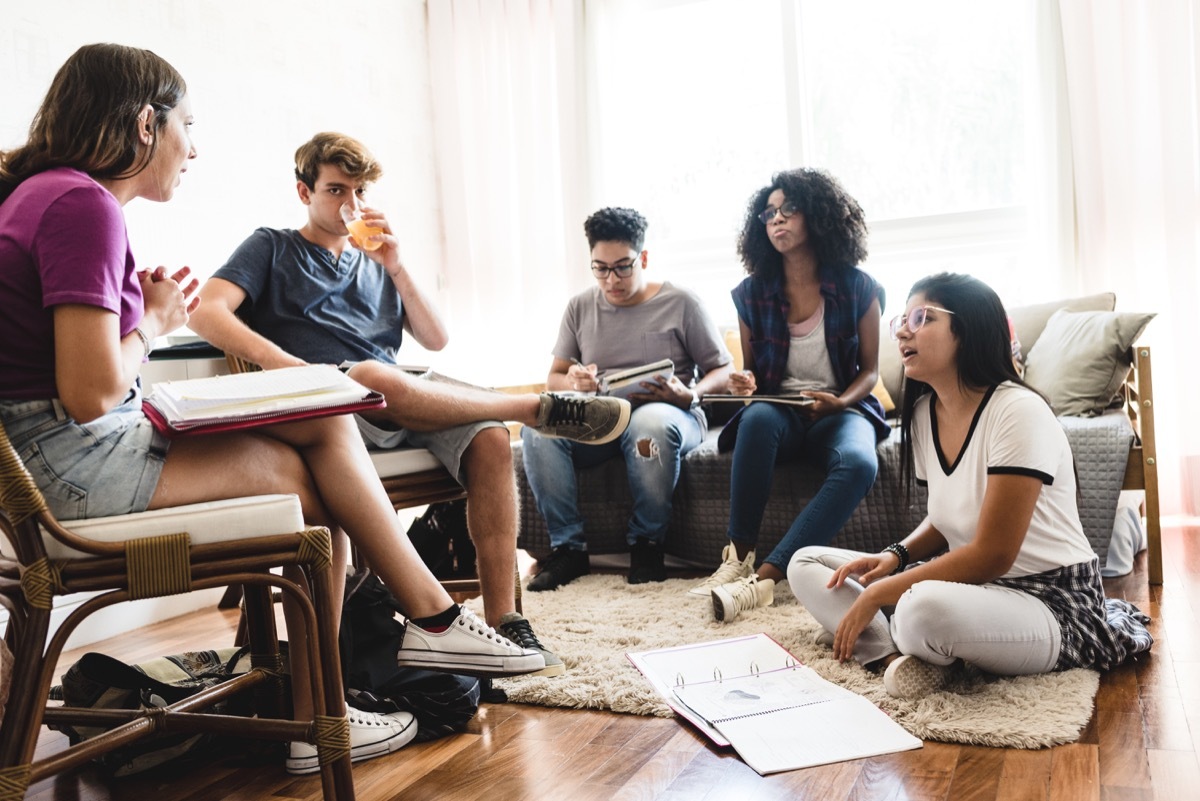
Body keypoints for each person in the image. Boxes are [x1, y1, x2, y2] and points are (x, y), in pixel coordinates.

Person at [0, 44, 550, 776]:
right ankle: (368, 672)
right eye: (186, 125)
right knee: (314, 475)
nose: (193, 147)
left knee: (322, 421)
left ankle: (381, 659)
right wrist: (156, 321)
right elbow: (91, 391)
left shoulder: (45, 193)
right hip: (69, 466)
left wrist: (145, 316)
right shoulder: (83, 203)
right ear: (143, 124)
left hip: (56, 456)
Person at [190, 132, 630, 676]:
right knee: (378, 374)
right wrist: (289, 366)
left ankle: (506, 622)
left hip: (402, 400)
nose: (349, 204)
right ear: (304, 192)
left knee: (490, 439)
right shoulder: (272, 247)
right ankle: (533, 409)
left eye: (357, 191)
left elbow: (436, 338)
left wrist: (396, 265)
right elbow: (205, 313)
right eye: (335, 191)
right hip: (332, 412)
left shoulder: (375, 257)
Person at [789, 273, 1153, 698]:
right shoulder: (924, 413)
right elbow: (946, 518)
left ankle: (881, 634)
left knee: (919, 608)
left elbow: (993, 555)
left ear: (968, 329)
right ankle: (890, 658)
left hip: (1051, 601)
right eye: (901, 320)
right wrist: (894, 556)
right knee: (806, 563)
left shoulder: (1017, 411)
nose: (903, 330)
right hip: (976, 592)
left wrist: (880, 593)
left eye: (921, 317)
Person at [692, 168, 889, 622]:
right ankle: (736, 556)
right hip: (779, 410)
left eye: (788, 210)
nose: (777, 220)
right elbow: (755, 376)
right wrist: (746, 386)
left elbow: (871, 371)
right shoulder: (750, 295)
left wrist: (840, 402)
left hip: (841, 408)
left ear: (818, 217)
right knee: (758, 418)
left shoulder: (859, 287)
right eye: (769, 213)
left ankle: (763, 579)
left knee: (860, 462)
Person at [521, 207, 733, 588]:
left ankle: (647, 543)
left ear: (644, 259)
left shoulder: (682, 302)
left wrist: (691, 392)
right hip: (603, 416)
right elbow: (554, 376)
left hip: (671, 414)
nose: (611, 280)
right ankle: (568, 550)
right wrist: (575, 383)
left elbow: (724, 370)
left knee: (647, 425)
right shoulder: (580, 307)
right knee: (537, 431)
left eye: (622, 267)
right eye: (600, 268)